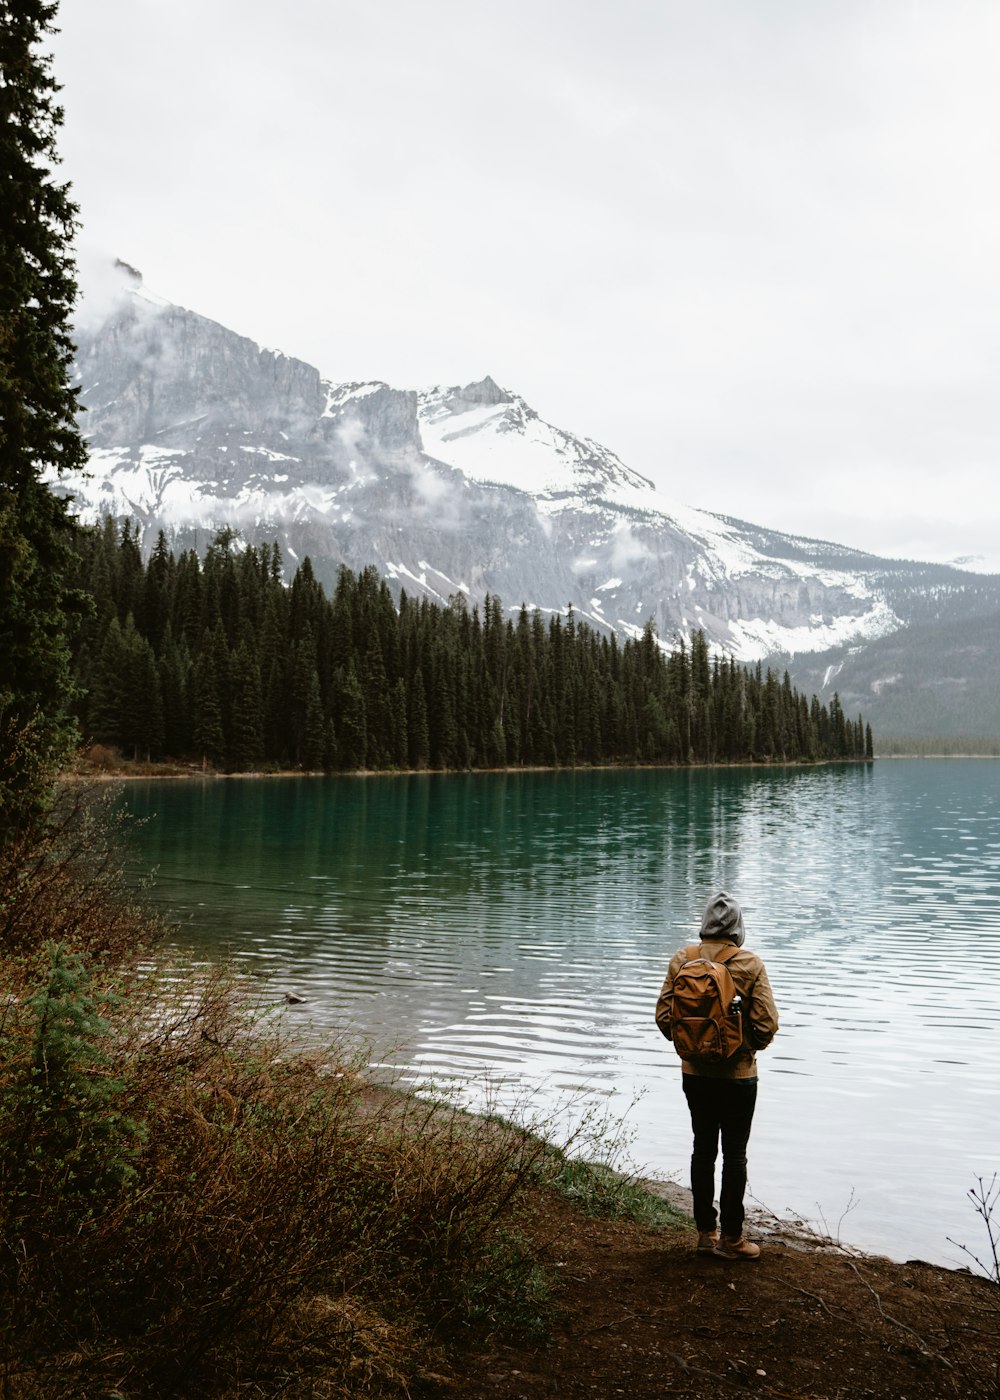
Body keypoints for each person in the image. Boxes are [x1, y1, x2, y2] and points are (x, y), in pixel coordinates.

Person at [655, 891, 779, 1260]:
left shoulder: (683, 960)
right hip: (739, 1076)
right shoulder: (750, 964)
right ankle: (733, 1239)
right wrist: (744, 1048)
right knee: (735, 1156)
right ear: (738, 927)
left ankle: (705, 1234)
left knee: (702, 1149)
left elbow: (664, 1018)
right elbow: (767, 1025)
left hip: (694, 1074)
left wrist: (693, 1045)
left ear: (705, 924)